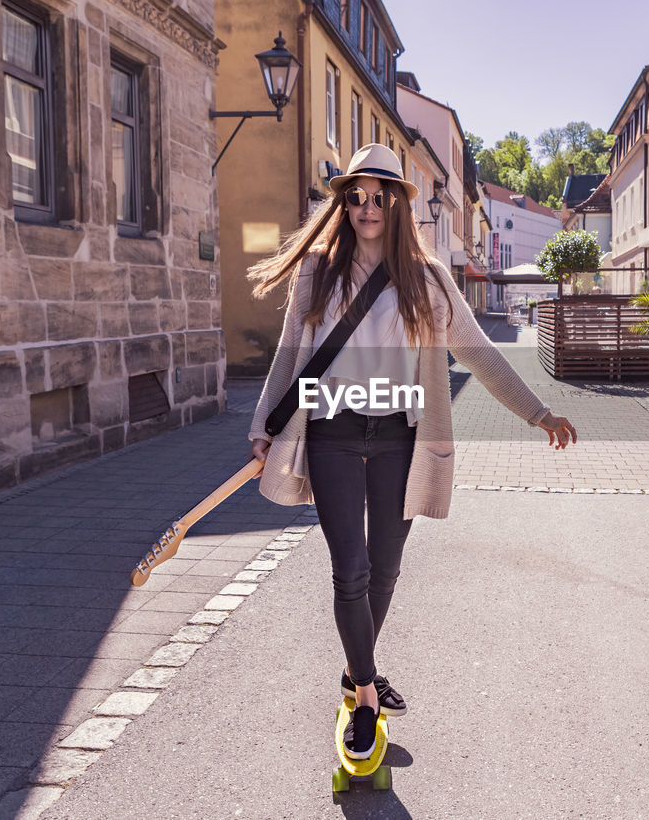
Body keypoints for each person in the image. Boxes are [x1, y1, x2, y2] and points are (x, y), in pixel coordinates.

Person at [245, 144, 577, 759]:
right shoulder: (317, 272)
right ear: (344, 201)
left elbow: (479, 352)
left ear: (400, 204)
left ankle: (354, 671)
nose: (368, 207)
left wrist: (537, 412)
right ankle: (366, 694)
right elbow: (291, 352)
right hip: (334, 433)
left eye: (381, 196)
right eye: (357, 195)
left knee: (386, 569)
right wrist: (265, 424)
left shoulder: (427, 279)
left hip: (401, 438)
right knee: (351, 570)